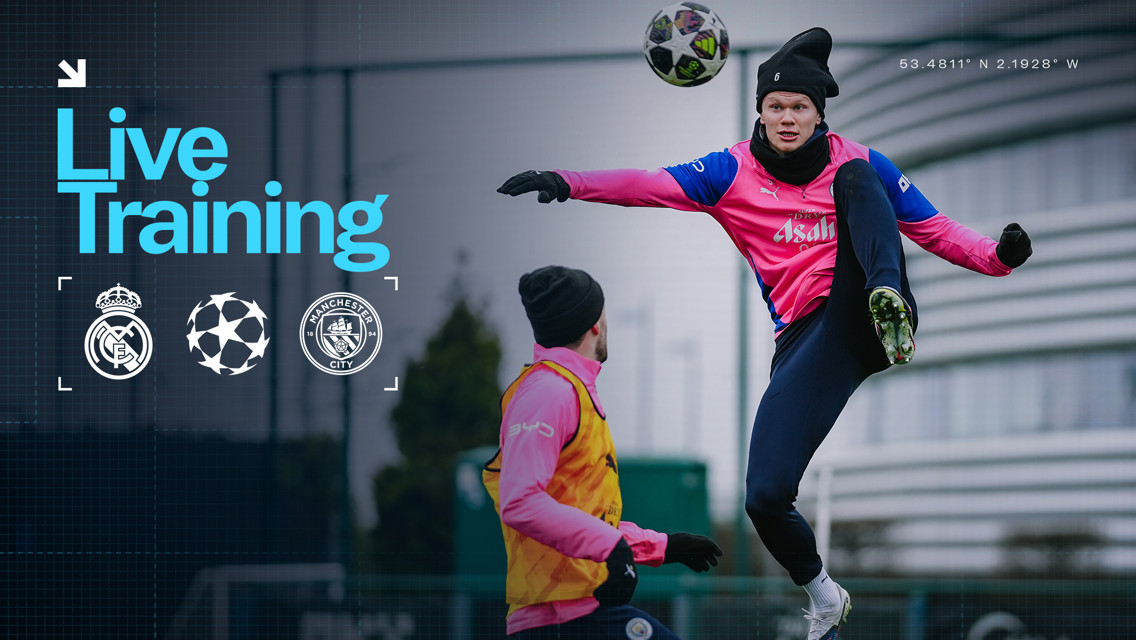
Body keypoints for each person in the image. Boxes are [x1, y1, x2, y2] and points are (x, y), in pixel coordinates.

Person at [497, 28, 1032, 640]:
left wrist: (999, 256)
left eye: (799, 107)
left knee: (860, 180)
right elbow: (646, 185)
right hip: (809, 340)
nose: (786, 118)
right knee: (765, 495)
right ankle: (825, 595)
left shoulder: (854, 159)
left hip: (861, 302)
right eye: (775, 107)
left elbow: (934, 228)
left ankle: (888, 302)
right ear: (760, 111)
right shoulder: (730, 172)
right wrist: (566, 181)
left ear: (818, 114)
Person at [482, 265, 724, 639]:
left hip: (579, 612)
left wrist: (661, 545)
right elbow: (519, 500)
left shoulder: (567, 391)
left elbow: (581, 519)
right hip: (562, 620)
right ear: (596, 322)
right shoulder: (550, 391)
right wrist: (612, 547)